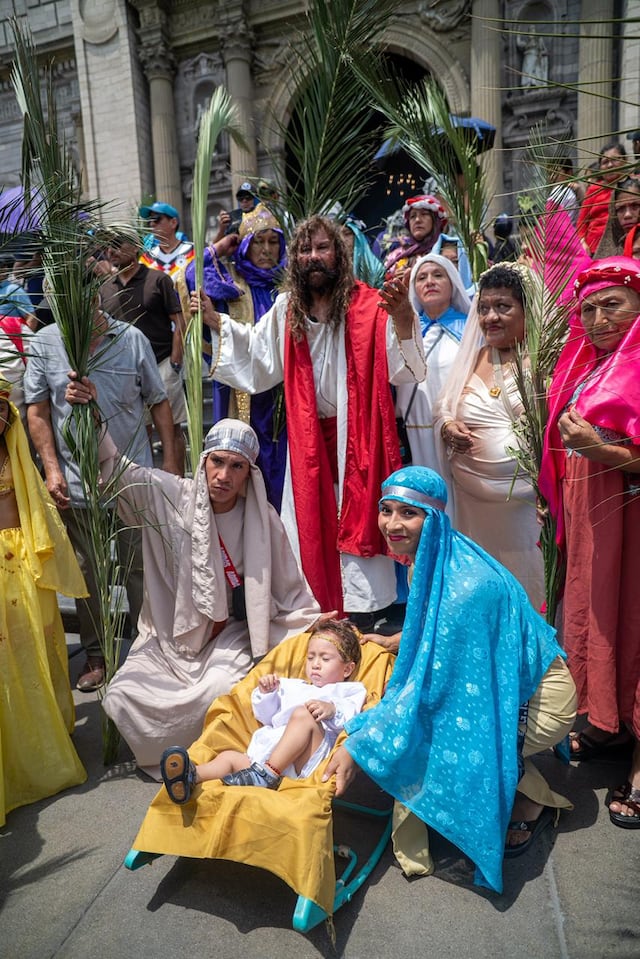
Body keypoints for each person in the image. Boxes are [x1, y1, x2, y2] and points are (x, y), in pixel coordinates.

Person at [324, 466, 576, 893]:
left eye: (409, 513)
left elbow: (440, 692)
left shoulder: (466, 587)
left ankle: (531, 800)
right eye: (387, 510)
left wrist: (361, 741)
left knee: (431, 733)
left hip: (541, 702)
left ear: (434, 517)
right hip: (516, 684)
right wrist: (397, 641)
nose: (392, 524)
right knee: (421, 722)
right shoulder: (437, 556)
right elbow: (436, 631)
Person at [63, 384, 320, 775]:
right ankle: (163, 758)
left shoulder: (262, 519)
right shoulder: (169, 495)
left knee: (218, 688)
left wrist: (314, 625)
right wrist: (92, 415)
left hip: (228, 636)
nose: (223, 475)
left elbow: (289, 589)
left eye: (236, 467)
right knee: (121, 694)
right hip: (169, 636)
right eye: (217, 462)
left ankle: (202, 763)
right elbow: (117, 468)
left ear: (249, 474)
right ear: (203, 462)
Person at [193, 215, 427, 625]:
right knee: (309, 527)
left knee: (358, 523)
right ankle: (320, 615)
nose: (313, 257)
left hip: (358, 439)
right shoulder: (288, 309)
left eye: (322, 248)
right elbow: (258, 358)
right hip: (308, 440)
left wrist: (404, 316)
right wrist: (215, 321)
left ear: (339, 254)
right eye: (304, 249)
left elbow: (405, 370)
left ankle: (364, 617)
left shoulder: (369, 305)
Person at [24, 288, 178, 691]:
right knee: (86, 572)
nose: (68, 306)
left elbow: (159, 402)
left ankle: (148, 652)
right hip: (75, 483)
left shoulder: (131, 339)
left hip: (130, 477)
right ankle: (97, 655)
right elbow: (38, 411)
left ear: (94, 298)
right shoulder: (45, 342)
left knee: (139, 568)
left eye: (76, 297)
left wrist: (169, 462)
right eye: (59, 300)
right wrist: (51, 469)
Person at [540, 256, 640, 828]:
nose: (599, 319)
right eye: (590, 309)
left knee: (635, 625)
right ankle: (610, 725)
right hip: (593, 528)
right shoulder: (588, 364)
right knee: (600, 620)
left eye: (613, 305)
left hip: (633, 529)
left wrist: (598, 450)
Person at [0, 377, 87, 826]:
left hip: (23, 563)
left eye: (2, 408)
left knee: (34, 650)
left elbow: (35, 504)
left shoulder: (15, 453)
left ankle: (43, 743)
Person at [434, 263, 545, 608]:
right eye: (483, 308)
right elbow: (444, 405)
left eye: (503, 307)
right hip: (474, 504)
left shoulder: (546, 360)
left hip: (527, 510)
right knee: (484, 586)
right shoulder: (474, 357)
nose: (490, 317)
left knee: (531, 586)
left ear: (529, 310)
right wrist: (448, 426)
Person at [159, 619, 365, 802]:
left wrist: (332, 709)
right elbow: (267, 717)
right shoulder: (292, 685)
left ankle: (266, 775)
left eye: (325, 659)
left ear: (347, 669)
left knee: (303, 715)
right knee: (229, 758)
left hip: (306, 759)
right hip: (266, 759)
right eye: (311, 658)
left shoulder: (348, 690)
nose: (316, 664)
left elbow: (353, 719)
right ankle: (190, 776)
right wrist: (268, 693)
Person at [185, 203, 288, 508]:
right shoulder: (231, 283)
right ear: (244, 246)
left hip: (283, 395)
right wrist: (218, 247)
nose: (266, 250)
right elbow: (189, 276)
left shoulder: (290, 287)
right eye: (258, 241)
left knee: (285, 470)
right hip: (240, 393)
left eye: (273, 241)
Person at [100, 225, 187, 474]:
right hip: (125, 372)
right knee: (139, 430)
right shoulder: (105, 288)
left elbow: (179, 322)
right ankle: (146, 484)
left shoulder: (158, 280)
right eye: (108, 246)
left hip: (161, 364)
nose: (111, 250)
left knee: (172, 428)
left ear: (136, 247)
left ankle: (178, 482)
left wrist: (175, 362)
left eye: (118, 244)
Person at [390, 253, 471, 489]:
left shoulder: (469, 328)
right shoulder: (404, 329)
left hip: (457, 430)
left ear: (452, 282)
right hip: (415, 430)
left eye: (438, 275)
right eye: (421, 277)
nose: (430, 282)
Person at [576, 143, 628, 255]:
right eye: (605, 162)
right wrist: (582, 241)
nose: (610, 165)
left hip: (626, 247)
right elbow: (582, 222)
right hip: (594, 251)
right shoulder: (594, 190)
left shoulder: (633, 186)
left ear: (625, 161)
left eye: (614, 160)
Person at [384, 195, 448, 279]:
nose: (417, 220)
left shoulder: (448, 252)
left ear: (436, 221)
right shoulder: (397, 255)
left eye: (424, 214)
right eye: (413, 216)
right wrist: (394, 278)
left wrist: (416, 276)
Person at [595, 177, 640, 257]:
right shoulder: (605, 255)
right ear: (613, 212)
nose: (627, 215)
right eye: (620, 209)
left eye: (635, 206)